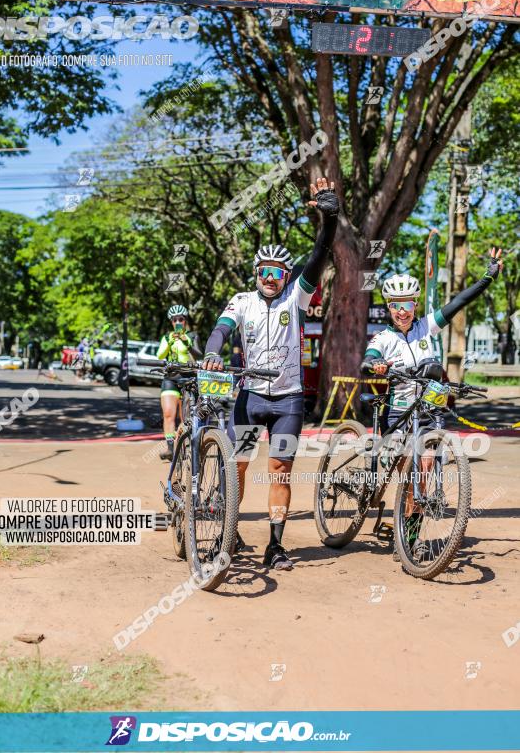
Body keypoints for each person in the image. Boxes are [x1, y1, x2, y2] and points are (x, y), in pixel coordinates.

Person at [203, 176, 339, 571]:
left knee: (280, 471)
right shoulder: (242, 301)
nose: (270, 277)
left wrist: (329, 219)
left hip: (288, 401)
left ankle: (275, 546)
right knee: (238, 465)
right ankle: (229, 529)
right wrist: (213, 354)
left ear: (285, 277)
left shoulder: (297, 297)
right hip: (250, 399)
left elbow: (319, 254)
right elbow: (220, 331)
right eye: (264, 270)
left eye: (278, 272)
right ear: (255, 272)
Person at [361, 248, 503, 552]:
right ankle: (381, 488)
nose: (403, 311)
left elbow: (460, 302)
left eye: (408, 304)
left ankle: (410, 543)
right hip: (399, 414)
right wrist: (376, 364)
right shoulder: (383, 339)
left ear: (415, 304)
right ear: (389, 307)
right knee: (407, 472)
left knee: (420, 475)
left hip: (428, 413)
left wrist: (488, 277)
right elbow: (369, 357)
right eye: (396, 305)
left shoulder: (427, 326)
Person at [157, 305, 203, 461]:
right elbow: (160, 355)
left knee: (186, 417)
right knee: (169, 414)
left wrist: (187, 342)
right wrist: (170, 342)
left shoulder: (192, 335)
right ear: (171, 322)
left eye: (181, 319)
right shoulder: (166, 337)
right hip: (170, 378)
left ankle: (185, 445)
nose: (178, 322)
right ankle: (170, 448)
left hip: (189, 379)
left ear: (185, 321)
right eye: (174, 319)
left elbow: (198, 355)